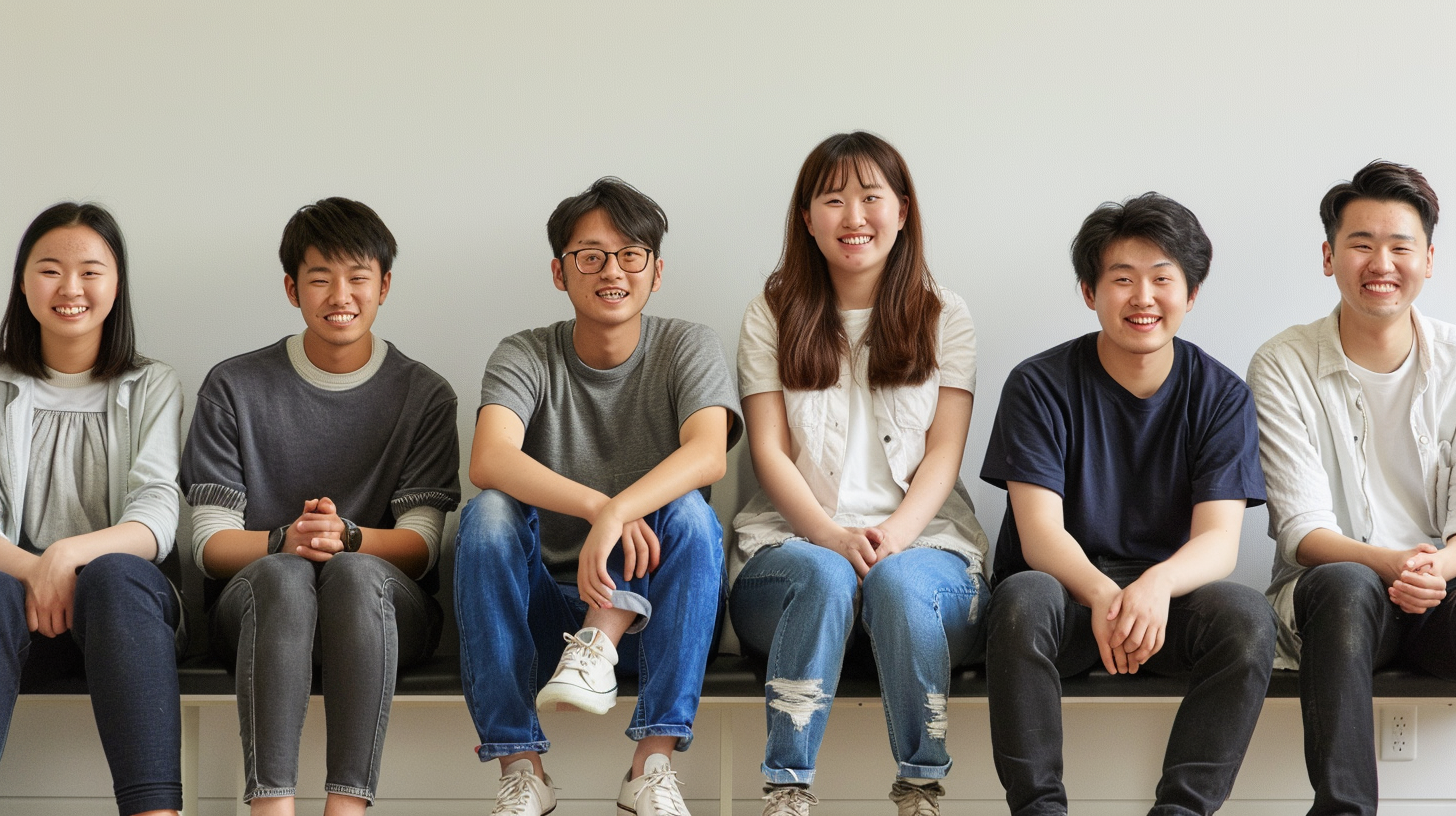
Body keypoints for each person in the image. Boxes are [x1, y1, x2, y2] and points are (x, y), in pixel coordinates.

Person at [981, 193, 1276, 816]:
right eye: (1122, 279)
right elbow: (1039, 536)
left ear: (1190, 294)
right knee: (1020, 599)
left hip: (1168, 605)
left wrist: (1155, 587)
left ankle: (1182, 810)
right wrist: (1105, 594)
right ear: (1090, 291)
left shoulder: (1221, 395)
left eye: (1162, 279)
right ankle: (1038, 809)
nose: (1143, 298)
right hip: (1066, 596)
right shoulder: (1038, 385)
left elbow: (1219, 542)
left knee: (1247, 619)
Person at [455, 177, 741, 816]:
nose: (611, 270)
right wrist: (598, 507)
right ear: (560, 272)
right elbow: (489, 458)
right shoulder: (525, 352)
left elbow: (708, 453)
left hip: (656, 620)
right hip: (543, 619)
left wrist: (623, 508)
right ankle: (520, 769)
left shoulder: (686, 345)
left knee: (691, 511)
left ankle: (652, 765)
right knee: (488, 515)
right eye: (590, 255)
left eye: (630, 255)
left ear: (655, 271)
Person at [729, 131, 989, 816]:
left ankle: (921, 787)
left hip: (928, 551)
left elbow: (944, 452)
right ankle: (786, 791)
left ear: (902, 210)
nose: (854, 218)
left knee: (899, 581)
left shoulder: (945, 314)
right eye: (834, 200)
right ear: (807, 218)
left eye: (871, 198)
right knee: (823, 571)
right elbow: (769, 453)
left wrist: (894, 537)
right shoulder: (770, 314)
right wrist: (832, 537)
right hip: (790, 552)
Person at [179, 197, 460, 816]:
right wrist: (288, 541)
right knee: (282, 573)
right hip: (257, 613)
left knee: (356, 574)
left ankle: (346, 808)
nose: (341, 294)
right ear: (291, 288)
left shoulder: (425, 394)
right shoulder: (233, 387)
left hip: (383, 612)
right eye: (319, 278)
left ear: (384, 285)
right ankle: (270, 808)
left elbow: (421, 546)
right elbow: (208, 546)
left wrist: (348, 538)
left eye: (358, 277)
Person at [1249, 160, 1454, 816]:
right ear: (1329, 256)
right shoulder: (1282, 364)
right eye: (1362, 244)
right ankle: (1344, 810)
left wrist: (1438, 566)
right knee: (1344, 582)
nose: (1381, 262)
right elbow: (1305, 534)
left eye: (1400, 246)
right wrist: (1393, 564)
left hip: (1439, 593)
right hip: (1338, 602)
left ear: (1428, 257)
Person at [0, 202, 185, 816]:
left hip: (126, 618)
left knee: (113, 575)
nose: (71, 288)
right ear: (23, 281)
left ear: (116, 284)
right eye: (50, 269)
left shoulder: (152, 383)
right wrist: (33, 571)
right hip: (19, 616)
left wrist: (65, 554)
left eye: (91, 271)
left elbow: (157, 516)